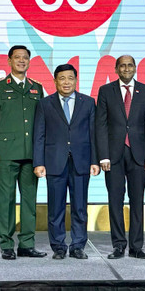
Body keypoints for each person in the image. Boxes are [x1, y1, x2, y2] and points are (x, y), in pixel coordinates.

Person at [0, 45, 47, 260]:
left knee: (29, 200)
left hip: (31, 154)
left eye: (25, 58)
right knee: (7, 200)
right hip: (7, 152)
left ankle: (27, 244)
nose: (21, 61)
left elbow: (41, 122)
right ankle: (6, 244)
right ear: (9, 61)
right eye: (17, 57)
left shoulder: (36, 88)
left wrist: (41, 152)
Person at [33, 64, 100, 260]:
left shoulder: (88, 102)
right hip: (54, 162)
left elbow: (93, 134)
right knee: (56, 208)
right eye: (62, 78)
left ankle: (78, 245)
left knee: (80, 207)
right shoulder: (45, 104)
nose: (66, 82)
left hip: (81, 162)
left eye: (70, 78)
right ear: (55, 81)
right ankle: (58, 246)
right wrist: (38, 162)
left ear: (76, 80)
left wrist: (95, 160)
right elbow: (39, 135)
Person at [95, 55, 145, 259]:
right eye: (122, 65)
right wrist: (103, 156)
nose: (126, 68)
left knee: (137, 201)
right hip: (113, 156)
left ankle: (136, 247)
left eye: (130, 65)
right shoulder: (106, 91)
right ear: (116, 69)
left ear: (135, 68)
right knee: (115, 200)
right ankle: (119, 245)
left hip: (139, 155)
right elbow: (100, 125)